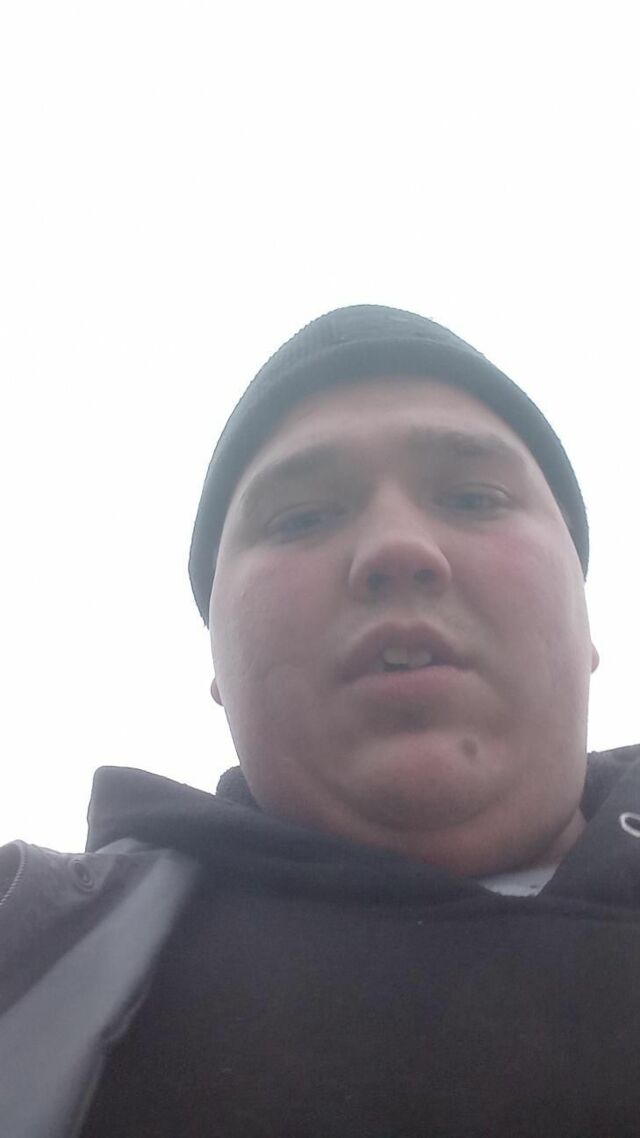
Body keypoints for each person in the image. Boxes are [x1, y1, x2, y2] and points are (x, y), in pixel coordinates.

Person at [2, 304, 640, 1138]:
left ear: (588, 629)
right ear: (218, 666)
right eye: (300, 518)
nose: (397, 547)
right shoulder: (30, 944)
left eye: (475, 497)